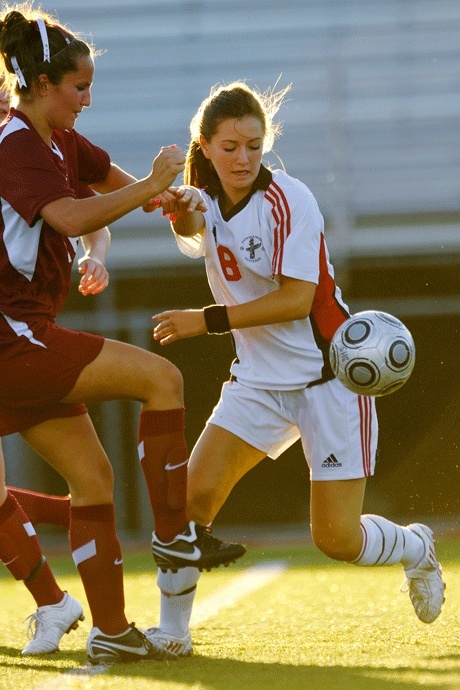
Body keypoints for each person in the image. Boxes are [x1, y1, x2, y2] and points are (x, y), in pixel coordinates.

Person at [145, 80, 446, 656]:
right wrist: (180, 212)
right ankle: (174, 633)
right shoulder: (205, 189)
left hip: (327, 382)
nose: (243, 158)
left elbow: (296, 298)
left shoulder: (291, 199)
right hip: (257, 384)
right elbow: (195, 229)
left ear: (267, 144)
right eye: (230, 146)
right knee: (183, 507)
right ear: (204, 145)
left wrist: (201, 321)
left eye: (254, 146)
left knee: (335, 539)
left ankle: (415, 548)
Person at [0, 4, 245, 664]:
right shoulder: (17, 144)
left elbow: (132, 194)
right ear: (43, 84)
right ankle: (175, 537)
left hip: (26, 332)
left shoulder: (57, 140)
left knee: (94, 477)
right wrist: (153, 191)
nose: (86, 99)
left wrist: (181, 202)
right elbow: (75, 216)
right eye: (79, 87)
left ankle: (108, 629)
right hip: (11, 337)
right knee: (160, 377)